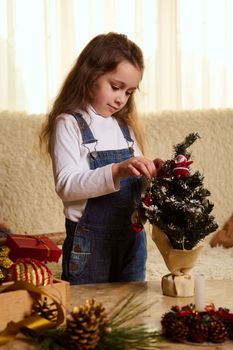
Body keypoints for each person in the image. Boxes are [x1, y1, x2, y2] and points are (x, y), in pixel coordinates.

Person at [40, 32, 163, 285]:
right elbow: (67, 185)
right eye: (116, 87)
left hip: (131, 241)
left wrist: (153, 174)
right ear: (90, 75)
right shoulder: (70, 123)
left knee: (132, 313)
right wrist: (117, 170)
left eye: (129, 92)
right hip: (89, 245)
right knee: (89, 312)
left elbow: (136, 187)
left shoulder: (124, 127)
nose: (121, 99)